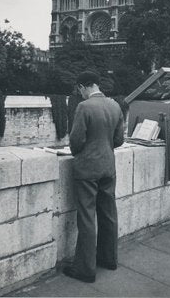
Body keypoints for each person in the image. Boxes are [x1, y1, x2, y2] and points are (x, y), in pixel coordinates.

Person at [63, 71, 124, 283]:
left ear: (82, 87)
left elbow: (76, 141)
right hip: (108, 166)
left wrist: (85, 150)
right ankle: (109, 259)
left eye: (78, 90)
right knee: (108, 213)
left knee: (87, 217)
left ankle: (85, 270)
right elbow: (119, 139)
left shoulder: (84, 107)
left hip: (87, 169)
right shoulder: (115, 105)